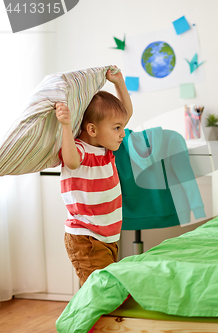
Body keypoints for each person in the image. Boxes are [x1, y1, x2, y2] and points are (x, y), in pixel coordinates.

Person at [55, 66, 133, 286]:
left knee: (100, 288)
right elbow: (70, 161)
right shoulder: (80, 150)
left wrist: (119, 83)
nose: (123, 132)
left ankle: (90, 319)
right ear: (92, 130)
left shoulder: (105, 149)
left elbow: (125, 112)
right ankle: (86, 321)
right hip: (86, 236)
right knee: (98, 289)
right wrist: (66, 126)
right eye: (117, 128)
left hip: (108, 236)